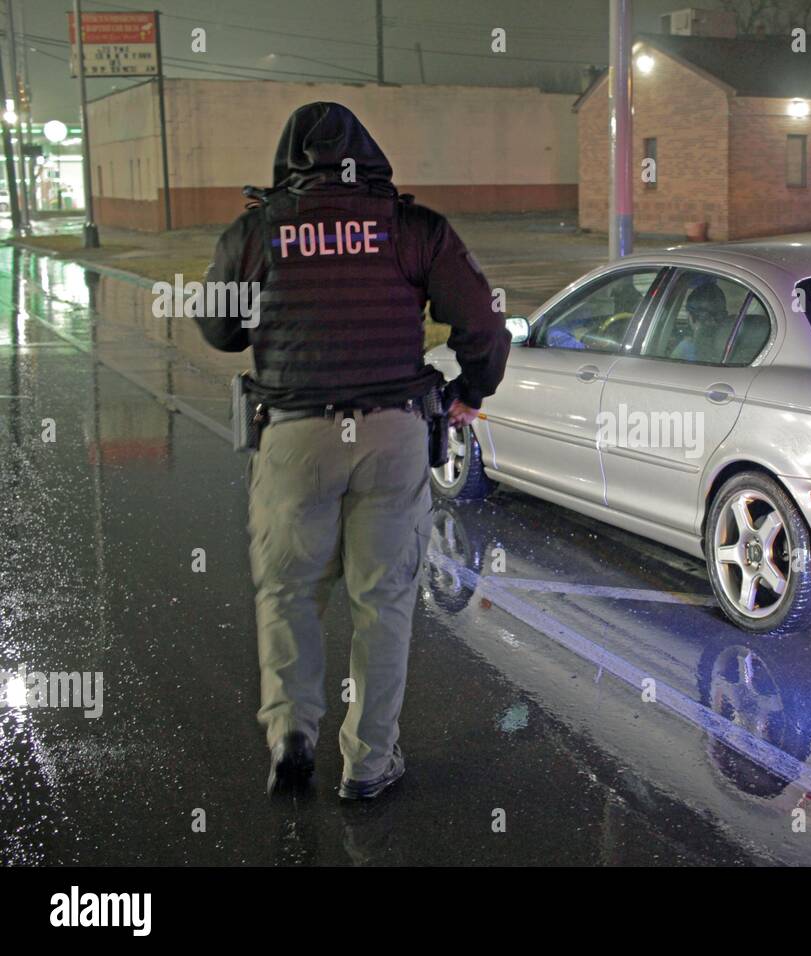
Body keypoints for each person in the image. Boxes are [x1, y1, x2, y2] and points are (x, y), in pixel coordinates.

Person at [194, 102, 509, 800]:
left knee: (288, 592)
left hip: (295, 434)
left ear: (289, 157)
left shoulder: (261, 230)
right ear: (367, 154)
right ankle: (368, 764)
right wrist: (473, 389)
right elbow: (483, 319)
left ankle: (291, 737)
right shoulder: (409, 226)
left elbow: (218, 330)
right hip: (393, 434)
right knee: (384, 600)